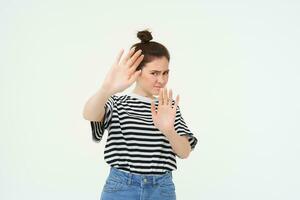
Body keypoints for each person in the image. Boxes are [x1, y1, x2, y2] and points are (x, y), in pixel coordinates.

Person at [82, 29, 198, 200]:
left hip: (161, 189)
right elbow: (89, 114)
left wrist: (169, 131)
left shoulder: (168, 107)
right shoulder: (117, 103)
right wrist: (106, 89)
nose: (162, 80)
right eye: (154, 73)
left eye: (165, 72)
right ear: (137, 71)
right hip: (121, 187)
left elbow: (184, 152)